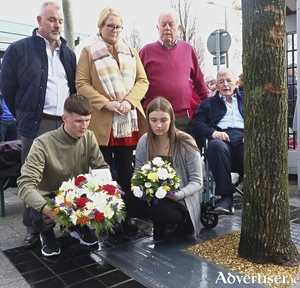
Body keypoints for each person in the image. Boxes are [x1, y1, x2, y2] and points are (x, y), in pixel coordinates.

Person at [0, 1, 76, 248]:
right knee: (33, 177)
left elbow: (73, 88)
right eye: (52, 19)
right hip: (37, 123)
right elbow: (8, 89)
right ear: (39, 20)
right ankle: (34, 228)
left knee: (65, 175)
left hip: (64, 124)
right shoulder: (19, 50)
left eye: (61, 21)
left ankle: (65, 222)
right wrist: (23, 116)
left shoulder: (68, 54)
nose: (57, 25)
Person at [75, 7, 149, 232]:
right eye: (110, 26)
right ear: (100, 27)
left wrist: (128, 101)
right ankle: (105, 216)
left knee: (127, 171)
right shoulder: (89, 51)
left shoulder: (131, 51)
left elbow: (142, 81)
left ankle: (126, 215)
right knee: (102, 172)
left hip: (126, 121)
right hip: (102, 123)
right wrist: (105, 103)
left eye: (118, 26)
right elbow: (81, 83)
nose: (114, 30)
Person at [17, 94, 110, 257]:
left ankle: (77, 226)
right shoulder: (42, 143)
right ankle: (46, 234)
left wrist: (109, 191)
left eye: (88, 120)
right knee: (42, 216)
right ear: (64, 118)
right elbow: (25, 184)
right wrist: (48, 210)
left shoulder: (89, 136)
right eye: (79, 121)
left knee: (101, 195)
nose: (84, 126)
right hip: (49, 196)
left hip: (76, 194)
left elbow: (100, 166)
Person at [135, 96, 202, 241]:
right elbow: (137, 173)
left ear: (171, 119)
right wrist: (142, 188)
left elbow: (197, 181)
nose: (158, 125)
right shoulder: (144, 141)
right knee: (127, 201)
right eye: (154, 120)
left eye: (163, 120)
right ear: (148, 120)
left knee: (158, 208)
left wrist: (177, 195)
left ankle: (185, 222)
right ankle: (159, 222)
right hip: (154, 196)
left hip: (181, 198)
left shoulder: (186, 142)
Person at [139, 9, 208, 134]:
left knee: (183, 152)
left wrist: (208, 105)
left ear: (178, 27)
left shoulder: (188, 49)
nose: (167, 28)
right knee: (155, 153)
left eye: (171, 24)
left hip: (181, 118)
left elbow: (199, 81)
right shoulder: (146, 51)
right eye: (163, 24)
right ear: (157, 27)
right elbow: (137, 83)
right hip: (154, 117)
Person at [191, 68, 244, 213]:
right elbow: (196, 124)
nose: (225, 84)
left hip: (244, 138)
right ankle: (226, 198)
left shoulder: (247, 99)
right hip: (221, 137)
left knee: (253, 149)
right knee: (215, 146)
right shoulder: (209, 103)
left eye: (229, 81)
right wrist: (213, 133)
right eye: (221, 81)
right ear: (217, 85)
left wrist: (252, 134)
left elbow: (261, 120)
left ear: (236, 83)